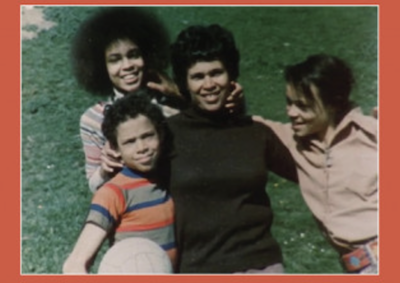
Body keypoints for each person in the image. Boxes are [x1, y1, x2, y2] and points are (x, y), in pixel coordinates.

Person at [165, 24, 298, 273]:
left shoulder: (255, 132)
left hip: (261, 265)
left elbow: (311, 175)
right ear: (184, 82)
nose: (209, 84)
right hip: (196, 268)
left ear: (231, 74)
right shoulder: (166, 134)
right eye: (198, 76)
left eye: (217, 72)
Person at [73, 7, 243, 192]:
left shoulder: (170, 103)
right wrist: (105, 171)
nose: (127, 66)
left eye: (134, 55)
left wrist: (180, 95)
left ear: (146, 55)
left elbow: (218, 137)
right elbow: (93, 186)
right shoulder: (92, 119)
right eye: (115, 60)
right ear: (100, 66)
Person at [257, 54, 378, 273]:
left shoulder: (373, 134)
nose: (291, 113)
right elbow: (247, 126)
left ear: (333, 103)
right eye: (289, 102)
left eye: (303, 106)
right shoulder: (291, 141)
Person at [63, 90, 176, 274]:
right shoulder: (113, 193)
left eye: (148, 136)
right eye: (130, 142)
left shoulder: (168, 177)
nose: (142, 148)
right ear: (115, 148)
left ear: (161, 134)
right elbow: (74, 264)